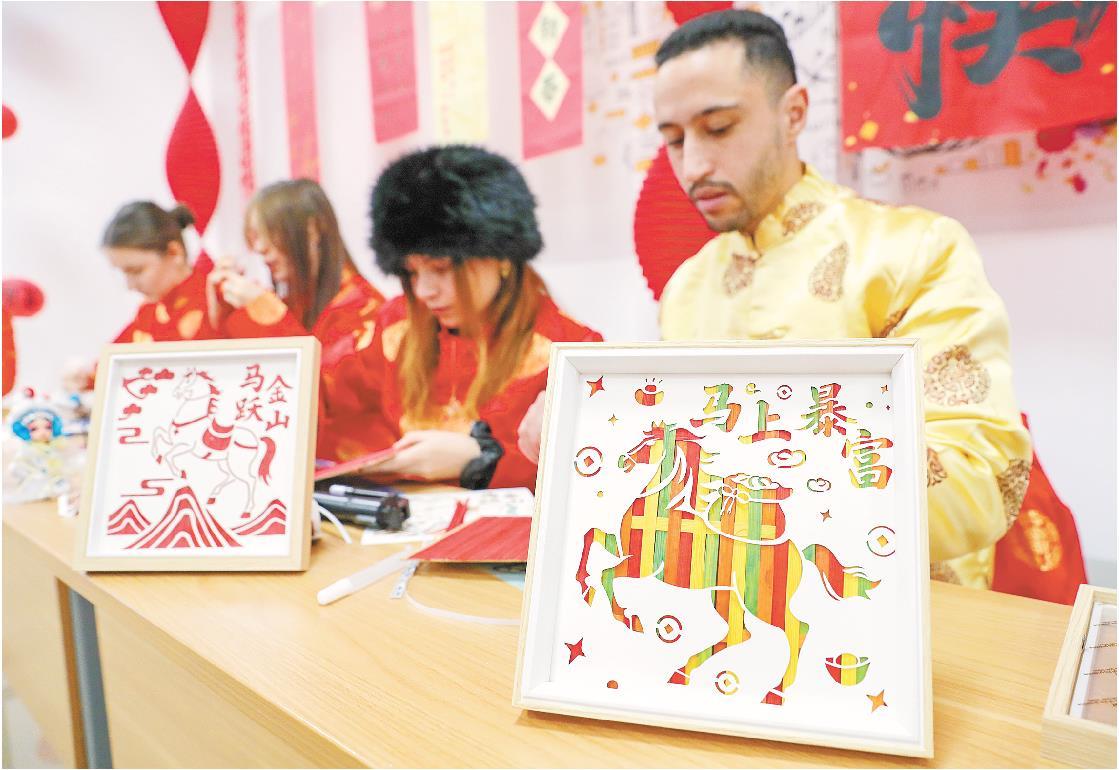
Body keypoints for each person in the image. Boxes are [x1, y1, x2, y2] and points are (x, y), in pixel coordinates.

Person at [650, 9, 1031, 588]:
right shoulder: (688, 287)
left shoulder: (912, 251)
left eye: (719, 128)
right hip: (726, 601)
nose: (694, 165)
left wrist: (760, 483)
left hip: (889, 602)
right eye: (675, 141)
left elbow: (981, 477)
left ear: (794, 113)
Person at [324, 145, 602, 489]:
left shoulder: (568, 351)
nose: (424, 291)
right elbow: (326, 398)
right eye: (411, 272)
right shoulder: (396, 326)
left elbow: (594, 467)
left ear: (501, 257)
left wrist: (484, 459)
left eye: (441, 269)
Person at [206, 179, 386, 460]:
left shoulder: (366, 309)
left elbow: (325, 405)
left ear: (313, 229)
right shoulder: (290, 306)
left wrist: (271, 317)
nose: (260, 248)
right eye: (255, 237)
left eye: (271, 233)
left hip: (353, 470)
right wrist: (224, 315)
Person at [62, 202, 216, 393]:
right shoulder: (148, 312)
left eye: (136, 271)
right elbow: (110, 366)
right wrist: (85, 377)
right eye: (123, 273)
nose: (130, 285)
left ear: (174, 253)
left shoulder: (218, 302)